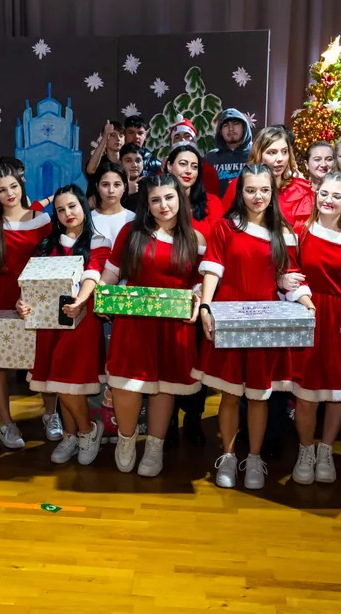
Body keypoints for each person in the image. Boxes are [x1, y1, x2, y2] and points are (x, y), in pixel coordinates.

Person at [195, 164, 311, 489]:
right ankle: (229, 456)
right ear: (240, 192)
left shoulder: (282, 232)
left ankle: (255, 458)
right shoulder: (226, 227)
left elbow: (290, 275)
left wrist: (306, 302)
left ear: (272, 192)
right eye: (250, 190)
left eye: (264, 190)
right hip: (229, 314)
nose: (257, 196)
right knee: (230, 395)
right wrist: (205, 306)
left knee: (259, 396)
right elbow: (212, 268)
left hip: (265, 320)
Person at [99, 174, 206, 477]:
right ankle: (126, 440)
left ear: (180, 198)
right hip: (133, 323)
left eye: (169, 197)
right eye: (155, 200)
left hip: (173, 325)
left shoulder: (195, 239)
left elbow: (199, 282)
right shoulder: (131, 233)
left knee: (164, 387)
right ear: (147, 204)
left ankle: (155, 447)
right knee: (125, 386)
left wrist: (198, 299)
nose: (163, 205)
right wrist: (101, 293)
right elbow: (112, 272)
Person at [283, 173, 341, 485]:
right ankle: (305, 450)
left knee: (339, 392)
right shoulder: (301, 230)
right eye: (323, 193)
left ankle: (326, 450)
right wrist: (296, 291)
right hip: (309, 316)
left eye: (337, 196)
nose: (328, 200)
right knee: (305, 394)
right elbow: (290, 270)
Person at [17, 185, 110, 465]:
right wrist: (22, 303)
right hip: (48, 323)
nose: (67, 213)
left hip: (82, 320)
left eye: (72, 206)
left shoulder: (98, 240)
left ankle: (87, 431)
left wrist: (80, 301)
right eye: (60, 209)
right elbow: (32, 282)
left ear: (84, 206)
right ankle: (72, 434)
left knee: (70, 382)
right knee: (58, 383)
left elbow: (93, 273)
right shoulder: (47, 245)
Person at [0, 160, 56, 450]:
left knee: (43, 361)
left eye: (13, 186)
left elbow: (51, 262)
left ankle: (51, 415)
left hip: (36, 301)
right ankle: (6, 423)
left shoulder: (42, 220)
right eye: (2, 190)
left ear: (21, 185)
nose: (9, 193)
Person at [162, 142, 222, 444]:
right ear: (169, 165)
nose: (188, 171)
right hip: (166, 292)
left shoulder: (211, 203)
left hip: (201, 292)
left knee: (197, 357)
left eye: (194, 166)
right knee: (168, 357)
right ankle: (167, 419)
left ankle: (194, 417)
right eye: (182, 164)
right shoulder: (158, 199)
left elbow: (218, 247)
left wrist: (201, 293)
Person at [221, 125, 314, 231]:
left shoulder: (300, 192)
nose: (280, 159)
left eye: (284, 151)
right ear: (258, 154)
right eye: (272, 152)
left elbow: (302, 236)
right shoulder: (238, 185)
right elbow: (224, 229)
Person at [205, 108, 253, 196]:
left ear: (244, 127)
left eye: (236, 123)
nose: (231, 129)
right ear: (220, 131)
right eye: (225, 125)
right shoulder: (211, 157)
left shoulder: (256, 153)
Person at [90, 161, 136, 246]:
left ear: (125, 187)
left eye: (117, 185)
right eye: (105, 185)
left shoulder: (133, 219)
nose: (111, 190)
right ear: (97, 187)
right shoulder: (88, 219)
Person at [118, 142, 145, 210]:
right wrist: (126, 192)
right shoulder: (114, 183)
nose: (134, 165)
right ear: (120, 163)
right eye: (128, 161)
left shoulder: (150, 184)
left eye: (138, 161)